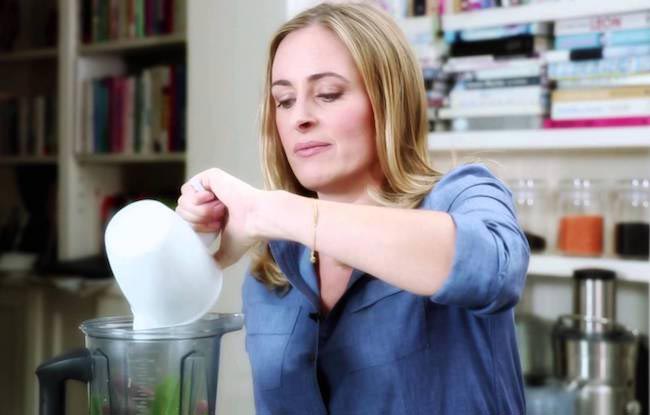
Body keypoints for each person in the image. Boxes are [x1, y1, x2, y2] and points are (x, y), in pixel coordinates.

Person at [176, 2, 530, 414]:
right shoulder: (275, 266)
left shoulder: (461, 196)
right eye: (284, 100)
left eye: (327, 94)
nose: (299, 118)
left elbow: (494, 272)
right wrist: (192, 247)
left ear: (388, 100)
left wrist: (268, 211)